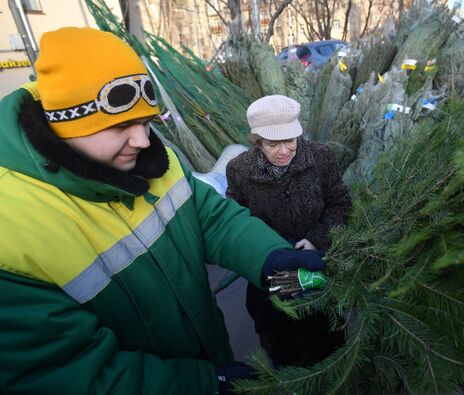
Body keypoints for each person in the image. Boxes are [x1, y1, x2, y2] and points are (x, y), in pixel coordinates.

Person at [0, 27, 326, 395]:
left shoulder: (153, 160)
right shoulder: (11, 231)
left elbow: (208, 217)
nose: (141, 141)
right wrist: (205, 384)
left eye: (146, 123)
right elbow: (61, 374)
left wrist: (270, 259)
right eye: (121, 125)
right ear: (65, 121)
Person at [226, 95, 353, 367]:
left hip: (316, 265)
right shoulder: (238, 170)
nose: (284, 150)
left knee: (327, 340)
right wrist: (273, 252)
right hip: (272, 272)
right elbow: (236, 222)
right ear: (257, 141)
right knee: (282, 342)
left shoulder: (321, 157)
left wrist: (316, 239)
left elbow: (341, 204)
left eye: (290, 141)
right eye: (273, 144)